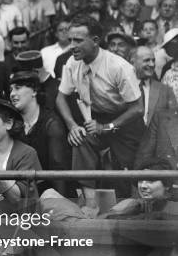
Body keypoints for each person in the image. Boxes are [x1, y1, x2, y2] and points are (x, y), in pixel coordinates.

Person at [56, 15, 145, 215]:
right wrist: (72, 126)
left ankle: (135, 209)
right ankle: (91, 204)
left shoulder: (118, 66)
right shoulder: (72, 63)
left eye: (78, 40)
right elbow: (60, 98)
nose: (72, 45)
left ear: (95, 41)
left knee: (132, 169)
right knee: (80, 139)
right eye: (70, 40)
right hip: (96, 118)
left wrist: (108, 127)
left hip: (127, 119)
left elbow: (138, 108)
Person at [9, 70, 71, 196]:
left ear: (34, 91)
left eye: (18, 88)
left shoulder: (51, 124)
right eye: (11, 90)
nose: (12, 94)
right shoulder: (12, 124)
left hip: (50, 193)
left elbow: (58, 169)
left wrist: (58, 202)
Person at [132, 46, 176, 127]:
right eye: (147, 60)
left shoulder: (164, 89)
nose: (152, 64)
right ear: (133, 62)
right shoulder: (124, 85)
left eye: (153, 60)